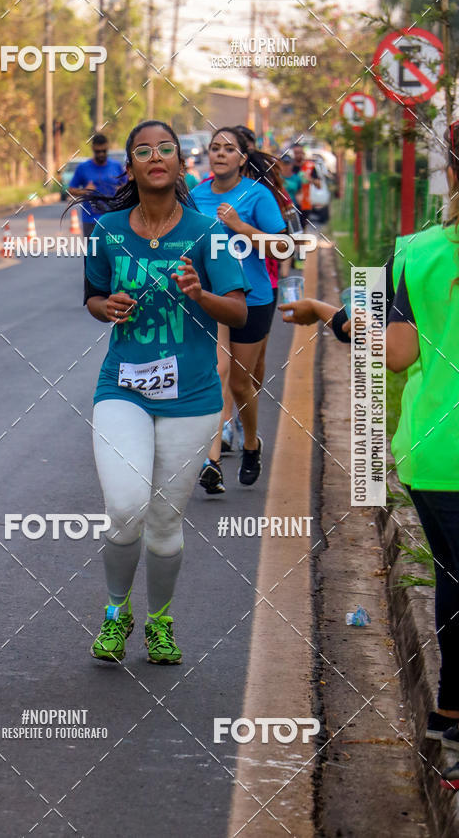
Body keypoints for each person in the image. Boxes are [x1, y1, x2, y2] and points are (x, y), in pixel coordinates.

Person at [82, 120, 249, 665]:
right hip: (122, 387)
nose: (155, 156)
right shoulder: (105, 230)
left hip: (193, 397)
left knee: (162, 526)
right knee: (125, 508)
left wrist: (201, 294)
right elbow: (93, 296)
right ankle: (116, 613)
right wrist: (105, 307)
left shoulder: (207, 232)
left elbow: (239, 310)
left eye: (166, 149)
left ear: (182, 165)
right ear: (130, 167)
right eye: (143, 151)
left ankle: (159, 621)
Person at [386, 122, 459, 753]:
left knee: (452, 580)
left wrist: (339, 321)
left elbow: (399, 354)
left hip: (436, 451)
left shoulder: (414, 252)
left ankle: (449, 712)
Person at [191, 127, 286, 493]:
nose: (219, 154)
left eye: (228, 149)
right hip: (212, 298)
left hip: (253, 299)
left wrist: (240, 226)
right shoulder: (195, 196)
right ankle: (211, 461)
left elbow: (282, 248)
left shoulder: (257, 195)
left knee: (242, 385)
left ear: (242, 158)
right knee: (217, 372)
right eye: (214, 148)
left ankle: (251, 444)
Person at [68, 133, 127, 238]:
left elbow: (127, 186)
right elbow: (71, 190)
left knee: (113, 251)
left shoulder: (116, 166)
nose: (101, 154)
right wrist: (85, 191)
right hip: (91, 219)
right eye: (97, 151)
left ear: (107, 148)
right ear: (92, 149)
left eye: (103, 151)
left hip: (113, 218)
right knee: (93, 252)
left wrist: (121, 189)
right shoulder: (83, 167)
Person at [291, 143, 321, 231]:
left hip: (305, 203)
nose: (298, 155)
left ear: (303, 153)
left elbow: (319, 185)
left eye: (300, 152)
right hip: (290, 203)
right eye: (296, 153)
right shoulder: (289, 167)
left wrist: (310, 179)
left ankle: (301, 244)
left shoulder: (310, 166)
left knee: (302, 229)